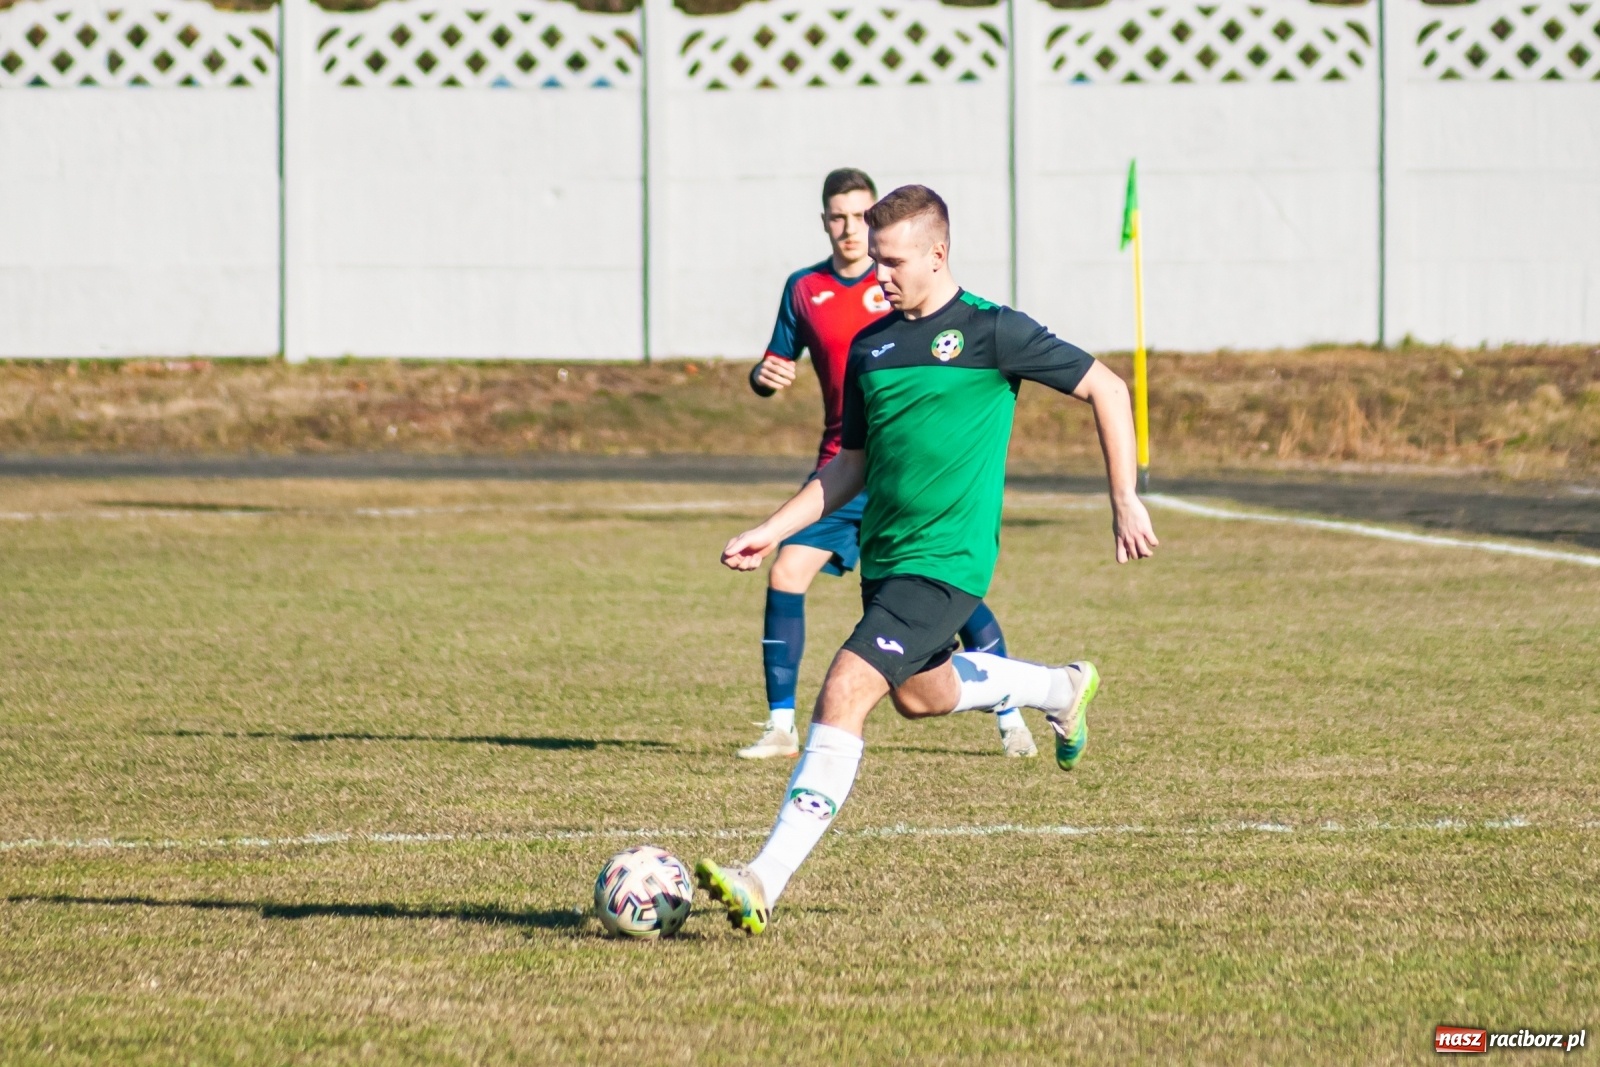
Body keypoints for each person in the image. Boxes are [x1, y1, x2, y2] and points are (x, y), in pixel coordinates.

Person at [698, 185, 1159, 935]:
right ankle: (1059, 686)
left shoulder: (992, 331)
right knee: (922, 694)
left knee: (845, 688)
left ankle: (763, 876)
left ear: (939, 253)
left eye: (893, 261)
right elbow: (849, 465)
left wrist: (1124, 496)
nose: (877, 275)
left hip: (947, 561)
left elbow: (1107, 388)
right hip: (886, 558)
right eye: (875, 260)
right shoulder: (870, 346)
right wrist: (773, 529)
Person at [741, 167, 1033, 762]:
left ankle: (1011, 713)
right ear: (825, 221)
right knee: (786, 574)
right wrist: (764, 378)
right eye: (837, 217)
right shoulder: (805, 289)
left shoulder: (915, 292)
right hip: (841, 472)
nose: (849, 230)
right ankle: (778, 724)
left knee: (946, 600)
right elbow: (776, 361)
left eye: (859, 216)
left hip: (911, 483)